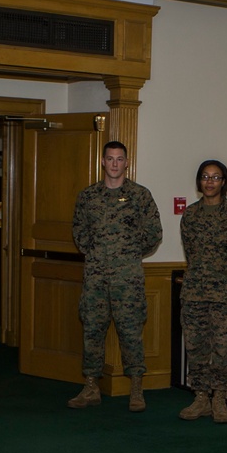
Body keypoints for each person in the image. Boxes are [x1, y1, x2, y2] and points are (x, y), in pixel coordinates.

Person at [67, 141, 162, 412]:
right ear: (102, 162)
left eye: (120, 159)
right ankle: (91, 386)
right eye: (110, 159)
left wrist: (128, 254)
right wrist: (96, 253)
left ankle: (135, 388)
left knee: (131, 333)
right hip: (96, 278)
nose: (114, 164)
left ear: (126, 163)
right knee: (92, 331)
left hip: (127, 278)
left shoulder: (140, 196)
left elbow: (154, 233)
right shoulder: (88, 196)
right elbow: (79, 231)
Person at [177, 160, 227, 423]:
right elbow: (191, 253)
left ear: (224, 182)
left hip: (225, 297)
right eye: (205, 177)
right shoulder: (191, 215)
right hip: (195, 294)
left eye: (216, 177)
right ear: (199, 181)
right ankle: (200, 398)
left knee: (223, 349)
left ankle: (219, 398)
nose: (210, 182)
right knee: (196, 347)